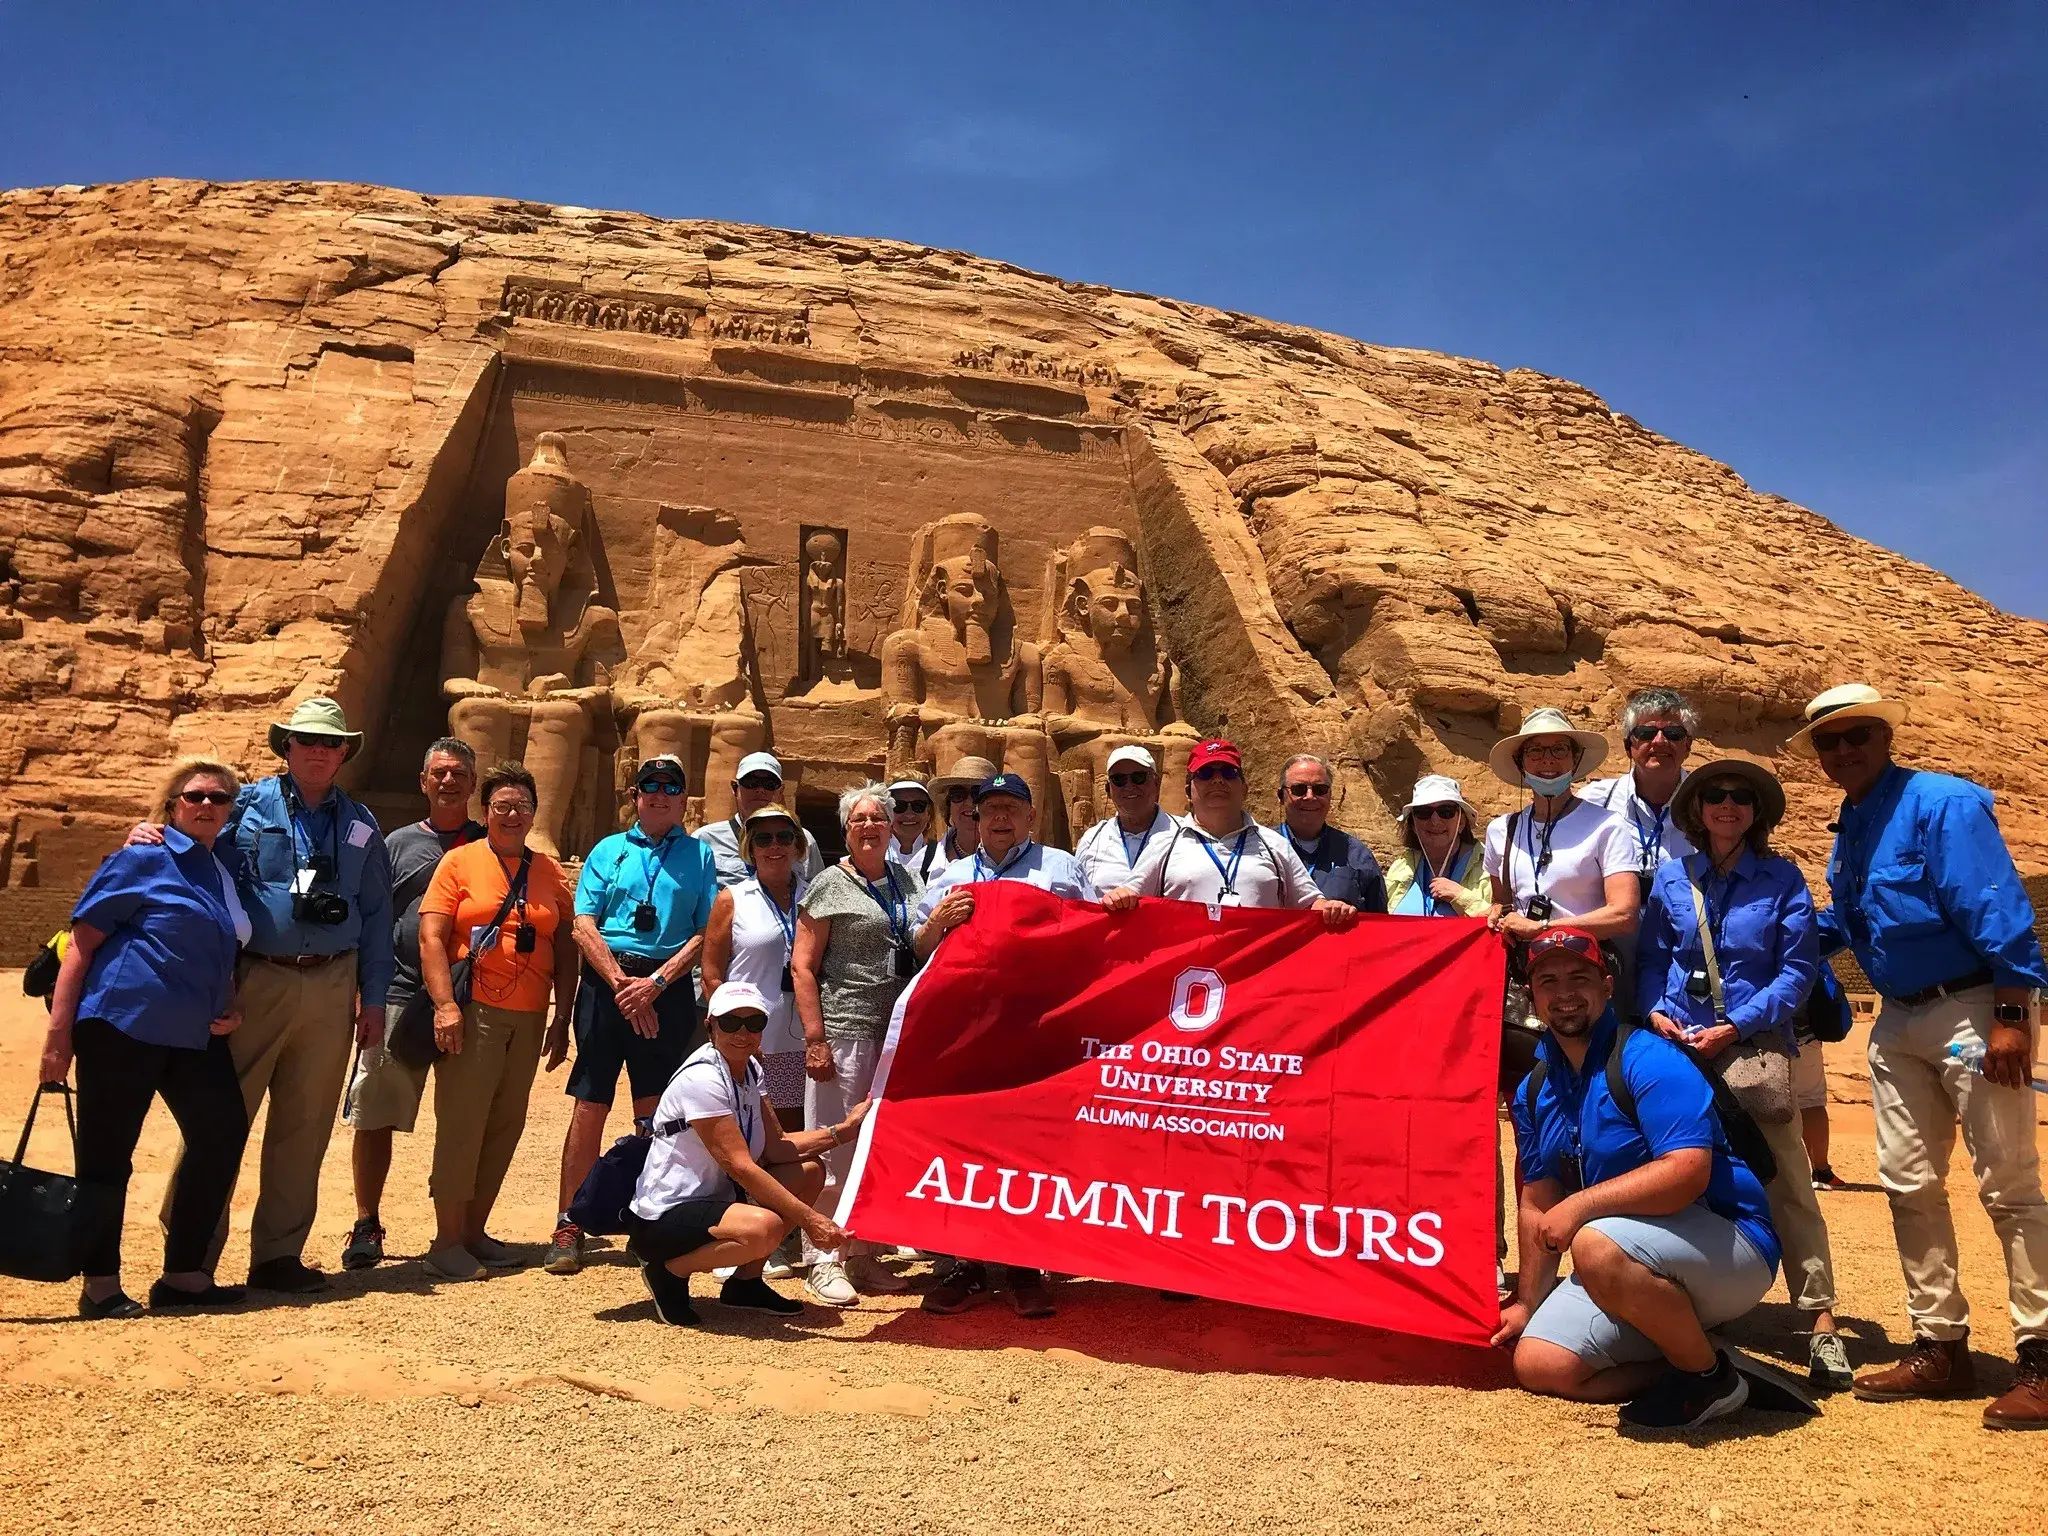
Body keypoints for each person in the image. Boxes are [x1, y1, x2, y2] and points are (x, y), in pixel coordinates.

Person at [1795, 683, 2048, 1428]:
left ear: (1885, 736)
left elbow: (1996, 908)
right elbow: (1844, 921)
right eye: (1830, 743)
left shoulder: (1943, 804)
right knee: (1908, 1181)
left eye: (1857, 736)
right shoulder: (1853, 823)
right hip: (1900, 1021)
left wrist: (2010, 1017)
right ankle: (1940, 1344)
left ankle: (2041, 1358)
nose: (1844, 751)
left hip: (1971, 1009)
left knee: (2008, 1183)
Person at [141, 697, 394, 1293]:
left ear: (343, 753)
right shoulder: (242, 806)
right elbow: (189, 856)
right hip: (254, 978)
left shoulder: (361, 823)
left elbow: (378, 914)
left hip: (333, 979)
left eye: (329, 742)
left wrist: (374, 997)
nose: (317, 750)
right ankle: (190, 1254)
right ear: (286, 747)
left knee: (304, 1125)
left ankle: (278, 1255)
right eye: (305, 739)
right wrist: (148, 833)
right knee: (220, 1119)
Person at [1494, 928, 1781, 1428]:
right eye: (1548, 981)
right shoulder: (1536, 1087)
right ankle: (1722, 1368)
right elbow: (1537, 1201)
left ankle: (1703, 1378)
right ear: (1531, 995)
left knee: (1594, 1243)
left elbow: (1687, 1173)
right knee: (1541, 1365)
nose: (1564, 993)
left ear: (1607, 986)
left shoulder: (1649, 1059)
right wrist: (1526, 1303)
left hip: (1729, 1246)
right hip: (1627, 1256)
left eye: (1579, 978)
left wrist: (1580, 1207)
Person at [1636, 759, 1850, 1389]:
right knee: (1687, 1174)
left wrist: (1738, 1024)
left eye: (1740, 798)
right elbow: (1651, 957)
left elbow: (1796, 971)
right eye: (1715, 797)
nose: (1727, 806)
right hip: (1679, 1047)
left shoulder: (1782, 879)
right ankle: (1700, 1309)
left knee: (1785, 1179)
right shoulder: (1672, 879)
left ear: (1757, 812)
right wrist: (1655, 1010)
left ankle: (1820, 1321)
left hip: (1749, 1048)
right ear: (1697, 811)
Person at [40, 759, 253, 1318]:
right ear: (173, 805)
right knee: (109, 1155)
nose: (207, 805)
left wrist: (227, 1006)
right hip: (122, 1025)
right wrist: (58, 1037)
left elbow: (217, 949)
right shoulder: (142, 858)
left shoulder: (217, 869)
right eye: (195, 796)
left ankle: (183, 1275)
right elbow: (82, 945)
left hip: (193, 1033)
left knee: (222, 1131)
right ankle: (100, 1285)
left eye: (219, 798)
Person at [913, 772, 1109, 1318]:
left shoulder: (1062, 867)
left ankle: (1024, 1264)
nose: (1000, 818)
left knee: (1029, 1144)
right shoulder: (950, 873)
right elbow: (918, 947)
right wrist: (936, 925)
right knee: (964, 1144)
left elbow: (1094, 934)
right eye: (990, 808)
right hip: (967, 1030)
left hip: (1036, 1025)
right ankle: (964, 1263)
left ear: (1029, 816)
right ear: (974, 818)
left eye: (1011, 808)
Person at [547, 755, 719, 1276]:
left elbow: (704, 932)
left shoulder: (699, 855)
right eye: (651, 786)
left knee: (654, 1110)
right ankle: (570, 1221)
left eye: (671, 787)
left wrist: (656, 984)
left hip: (663, 988)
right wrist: (623, 986)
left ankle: (642, 1217)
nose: (660, 795)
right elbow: (582, 924)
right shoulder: (609, 849)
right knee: (590, 1103)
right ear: (636, 795)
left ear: (684, 798)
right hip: (607, 986)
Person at [625, 982, 866, 1328]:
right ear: (710, 1026)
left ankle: (745, 1283)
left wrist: (844, 1132)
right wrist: (811, 1221)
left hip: (714, 1201)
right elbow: (740, 1166)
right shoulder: (704, 1078)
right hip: (665, 1215)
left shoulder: (750, 1070)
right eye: (730, 1022)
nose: (743, 1032)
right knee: (763, 1228)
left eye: (754, 1023)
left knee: (810, 1172)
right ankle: (665, 1271)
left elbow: (776, 1146)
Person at [416, 762, 576, 1279]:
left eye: (521, 807)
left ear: (534, 815)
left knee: (505, 1124)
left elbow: (566, 946)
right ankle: (445, 1241)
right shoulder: (460, 862)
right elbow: (432, 938)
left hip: (529, 1016)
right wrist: (445, 1006)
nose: (511, 815)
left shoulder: (549, 871)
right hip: (474, 1013)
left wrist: (562, 1015)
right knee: (464, 1123)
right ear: (486, 812)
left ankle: (472, 1232)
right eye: (501, 806)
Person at [342, 738, 484, 1271]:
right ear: (423, 782)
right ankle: (366, 1221)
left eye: (459, 774)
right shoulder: (395, 844)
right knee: (376, 1114)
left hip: (470, 997)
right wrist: (365, 991)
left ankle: (455, 1231)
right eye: (439, 774)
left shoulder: (490, 845)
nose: (449, 782)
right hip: (401, 991)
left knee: (462, 1121)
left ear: (473, 784)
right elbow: (372, 918)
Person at [790, 784, 926, 1305]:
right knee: (833, 1142)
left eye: (878, 818)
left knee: (875, 1145)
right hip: (843, 1027)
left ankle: (865, 1252)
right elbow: (803, 965)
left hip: (890, 1032)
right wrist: (815, 1038)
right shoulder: (828, 883)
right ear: (846, 830)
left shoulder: (905, 879)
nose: (870, 826)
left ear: (893, 827)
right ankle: (822, 1258)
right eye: (859, 820)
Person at [1102, 740, 1357, 927]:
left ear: (1244, 789)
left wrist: (1332, 908)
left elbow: (1310, 903)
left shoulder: (1274, 844)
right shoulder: (1165, 844)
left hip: (1256, 981)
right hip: (1189, 984)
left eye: (1227, 772)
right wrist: (1118, 896)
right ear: (1189, 791)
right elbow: (1130, 897)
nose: (1217, 780)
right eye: (1205, 773)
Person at [1483, 707, 1640, 1006]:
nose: (1548, 761)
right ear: (1520, 762)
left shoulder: (1607, 826)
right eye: (1536, 751)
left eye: (1559, 749)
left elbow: (1624, 915)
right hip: (1526, 979)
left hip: (1585, 974)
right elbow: (1501, 902)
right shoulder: (1500, 830)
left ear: (1575, 759)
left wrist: (1541, 929)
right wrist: (1497, 914)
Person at [701, 806, 813, 1132]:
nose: (774, 846)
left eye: (784, 837)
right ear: (750, 848)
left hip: (805, 1043)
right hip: (751, 1040)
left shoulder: (817, 896)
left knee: (797, 1137)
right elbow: (711, 974)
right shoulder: (732, 899)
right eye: (763, 839)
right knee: (754, 1136)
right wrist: (733, 1032)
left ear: (798, 845)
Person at [1579, 688, 1700, 896]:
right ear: (1628, 746)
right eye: (1646, 733)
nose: (1660, 741)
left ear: (1688, 745)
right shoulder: (1595, 802)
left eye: (1673, 734)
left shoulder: (1710, 804)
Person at [1271, 753, 1387, 912]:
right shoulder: (1261, 848)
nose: (1310, 797)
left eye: (1320, 789)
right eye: (1299, 789)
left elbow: (1379, 923)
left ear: (1330, 795)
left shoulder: (1356, 854)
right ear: (1281, 796)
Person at [697, 751, 826, 890]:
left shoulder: (803, 840)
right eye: (751, 782)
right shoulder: (705, 839)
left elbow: (818, 895)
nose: (760, 790)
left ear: (781, 791)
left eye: (769, 784)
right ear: (735, 788)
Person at [1072, 745, 1175, 893]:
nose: (1129, 786)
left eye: (1138, 777)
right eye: (1119, 779)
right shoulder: (1092, 840)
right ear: (1108, 789)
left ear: (1156, 783)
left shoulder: (1182, 835)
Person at [1384, 774, 1490, 917]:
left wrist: (1461, 897)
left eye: (1445, 812)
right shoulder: (1401, 867)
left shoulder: (1488, 868)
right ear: (1413, 825)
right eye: (1423, 812)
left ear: (1462, 822)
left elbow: (1502, 923)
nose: (1435, 821)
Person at [916, 755, 993, 881]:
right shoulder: (922, 862)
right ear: (948, 805)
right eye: (958, 795)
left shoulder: (1023, 861)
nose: (969, 803)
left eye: (978, 794)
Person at [885, 777, 935, 870]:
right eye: (899, 806)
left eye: (918, 806)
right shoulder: (874, 855)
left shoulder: (941, 855)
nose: (909, 814)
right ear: (888, 813)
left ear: (928, 813)